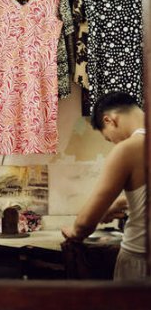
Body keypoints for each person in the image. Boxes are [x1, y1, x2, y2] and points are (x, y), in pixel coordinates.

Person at [61, 91, 147, 280]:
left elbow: (85, 224)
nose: (113, 143)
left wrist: (74, 231)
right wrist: (121, 203)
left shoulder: (127, 149)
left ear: (110, 120)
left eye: (109, 138)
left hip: (140, 260)